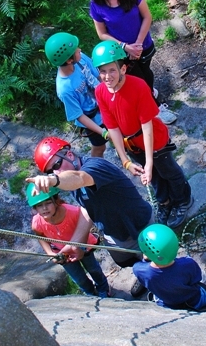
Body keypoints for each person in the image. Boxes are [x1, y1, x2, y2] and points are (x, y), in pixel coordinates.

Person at [91, 40, 193, 229]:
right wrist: (125, 161)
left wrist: (150, 162)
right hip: (132, 144)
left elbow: (147, 126)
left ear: (123, 69)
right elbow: (112, 128)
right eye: (102, 71)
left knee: (168, 170)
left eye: (112, 70)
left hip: (154, 138)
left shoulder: (138, 86)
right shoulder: (100, 91)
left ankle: (182, 200)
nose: (107, 76)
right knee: (153, 177)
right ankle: (165, 203)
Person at [26, 136, 151, 276]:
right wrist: (75, 243)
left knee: (157, 267)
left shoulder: (95, 166)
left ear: (69, 154)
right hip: (115, 233)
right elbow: (87, 210)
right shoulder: (70, 183)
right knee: (125, 262)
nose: (55, 172)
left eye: (56, 165)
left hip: (141, 226)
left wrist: (54, 180)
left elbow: (80, 178)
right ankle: (143, 275)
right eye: (50, 172)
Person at [89, 0, 175, 124]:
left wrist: (138, 44)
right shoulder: (96, 5)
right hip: (121, 52)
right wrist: (125, 47)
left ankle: (150, 92)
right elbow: (102, 33)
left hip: (144, 45)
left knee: (146, 73)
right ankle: (156, 109)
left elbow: (147, 17)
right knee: (138, 81)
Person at [26, 182, 110, 298]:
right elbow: (40, 236)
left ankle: (103, 288)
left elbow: (85, 225)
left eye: (48, 203)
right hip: (62, 253)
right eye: (39, 205)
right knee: (78, 278)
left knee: (93, 269)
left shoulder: (72, 212)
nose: (44, 208)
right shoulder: (37, 222)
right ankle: (90, 294)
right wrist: (50, 253)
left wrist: (80, 247)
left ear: (56, 201)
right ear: (35, 208)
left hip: (83, 245)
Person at [132, 224, 206, 311]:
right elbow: (196, 277)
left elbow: (144, 265)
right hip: (193, 299)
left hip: (165, 301)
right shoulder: (187, 264)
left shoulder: (139, 269)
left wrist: (146, 259)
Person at [44, 32, 108, 158]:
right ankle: (97, 168)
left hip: (105, 103)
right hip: (93, 119)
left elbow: (97, 75)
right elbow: (78, 115)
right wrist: (103, 132)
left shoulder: (80, 58)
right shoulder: (65, 89)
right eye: (76, 50)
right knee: (100, 147)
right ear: (69, 60)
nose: (80, 50)